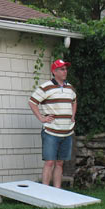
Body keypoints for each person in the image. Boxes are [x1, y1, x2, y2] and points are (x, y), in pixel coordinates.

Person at [28, 59, 77, 188]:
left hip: (67, 132)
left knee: (60, 163)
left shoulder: (70, 87)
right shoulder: (46, 87)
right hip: (51, 132)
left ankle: (57, 191)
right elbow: (32, 102)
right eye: (62, 69)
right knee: (49, 162)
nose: (65, 71)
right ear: (54, 71)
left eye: (66, 69)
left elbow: (74, 101)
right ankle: (45, 192)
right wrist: (41, 118)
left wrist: (73, 115)